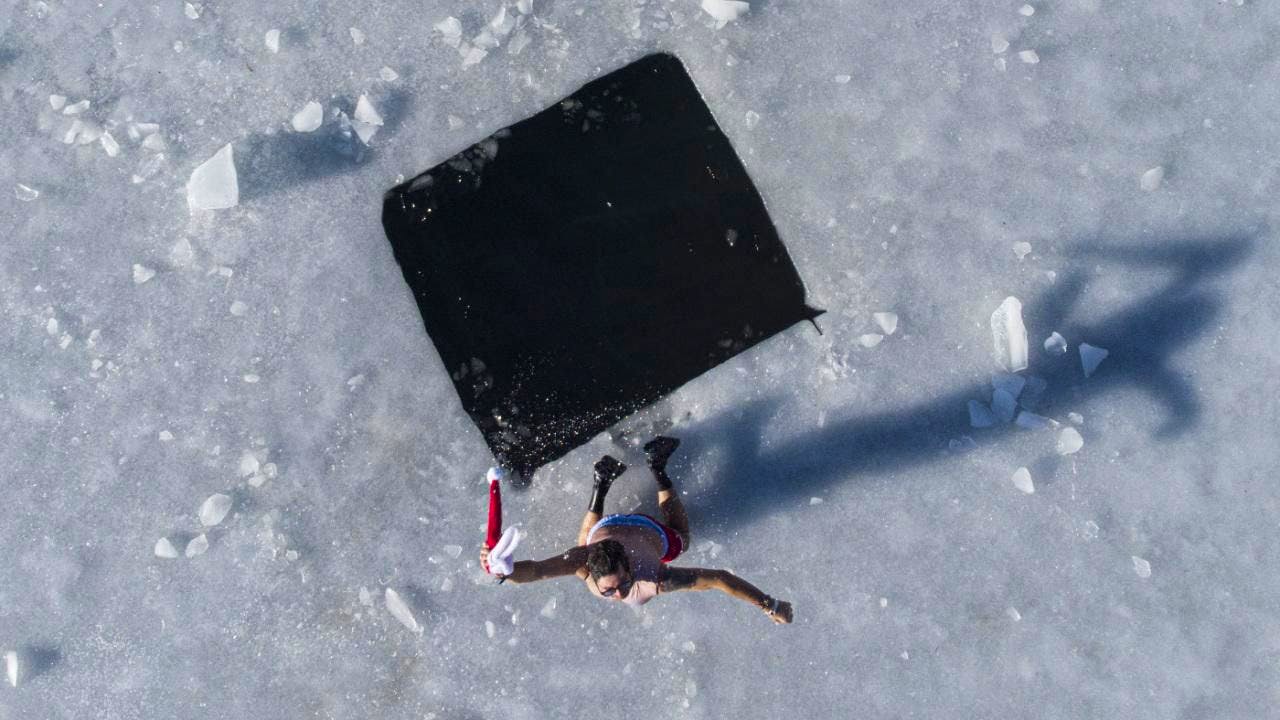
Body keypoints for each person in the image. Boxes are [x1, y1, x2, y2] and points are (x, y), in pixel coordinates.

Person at [480, 437, 794, 624]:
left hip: (646, 530)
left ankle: (653, 470)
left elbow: (717, 579)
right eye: (611, 590)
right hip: (604, 530)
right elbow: (534, 571)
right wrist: (504, 572)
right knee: (579, 550)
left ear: (630, 568)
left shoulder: (655, 578)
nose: (620, 593)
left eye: (622, 584)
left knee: (681, 540)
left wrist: (770, 605)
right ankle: (604, 483)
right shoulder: (582, 559)